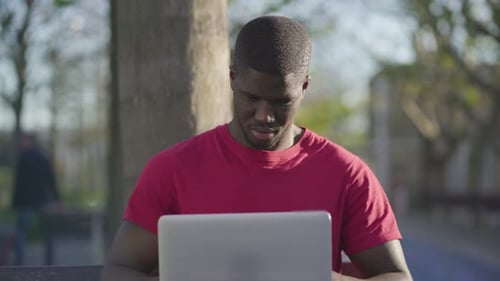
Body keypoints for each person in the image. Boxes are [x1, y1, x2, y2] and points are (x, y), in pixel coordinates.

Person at [101, 15, 413, 281]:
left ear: (304, 86)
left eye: (281, 101)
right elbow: (120, 268)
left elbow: (398, 276)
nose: (265, 115)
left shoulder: (347, 174)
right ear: (233, 78)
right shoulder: (172, 170)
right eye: (251, 98)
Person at [11, 133, 59, 265]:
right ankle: (49, 261)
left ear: (30, 142)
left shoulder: (23, 158)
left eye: (23, 141)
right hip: (40, 200)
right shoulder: (43, 158)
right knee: (46, 232)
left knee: (22, 232)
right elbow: (51, 179)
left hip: (27, 202)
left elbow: (19, 184)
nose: (21, 143)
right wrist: (56, 198)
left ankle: (19, 261)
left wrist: (15, 202)